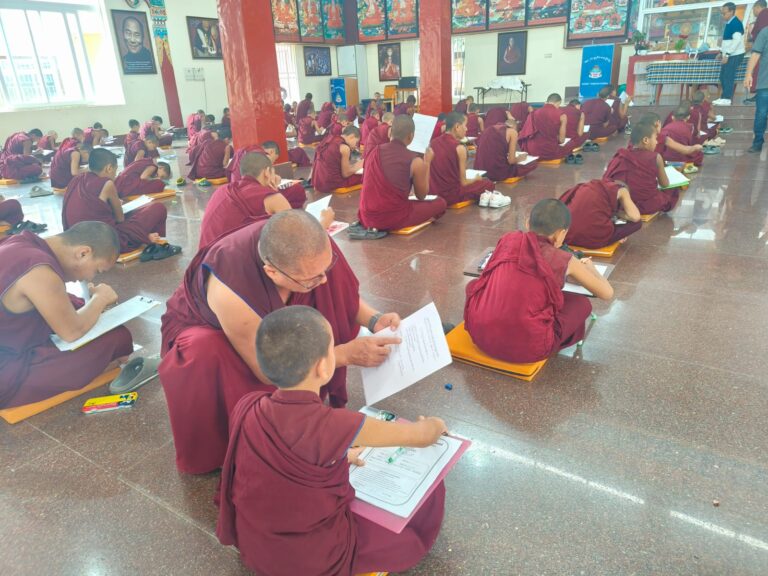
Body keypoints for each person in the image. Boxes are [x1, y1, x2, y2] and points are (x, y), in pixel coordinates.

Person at [159, 210, 403, 473]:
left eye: (325, 270)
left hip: (270, 309)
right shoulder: (229, 288)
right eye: (312, 279)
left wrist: (374, 320)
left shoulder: (311, 247)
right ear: (271, 272)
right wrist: (343, 354)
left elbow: (341, 294)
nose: (323, 281)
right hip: (211, 331)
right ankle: (257, 440)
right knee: (205, 349)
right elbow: (267, 370)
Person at [216, 305, 446, 576]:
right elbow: (420, 438)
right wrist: (435, 425)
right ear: (325, 365)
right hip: (312, 562)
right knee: (424, 500)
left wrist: (339, 455)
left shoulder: (248, 405)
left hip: (256, 548)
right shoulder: (335, 425)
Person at [0, 221, 134, 408]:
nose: (90, 278)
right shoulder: (39, 270)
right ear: (83, 253)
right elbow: (72, 332)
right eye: (96, 270)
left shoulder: (16, 243)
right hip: (6, 372)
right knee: (117, 337)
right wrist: (100, 299)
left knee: (74, 303)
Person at [465, 198, 612, 363]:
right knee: (582, 304)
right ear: (561, 233)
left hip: (479, 335)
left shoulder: (508, 239)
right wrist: (591, 269)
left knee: (474, 286)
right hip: (528, 349)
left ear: (528, 223)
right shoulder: (565, 259)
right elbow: (607, 293)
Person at [62, 149, 173, 255]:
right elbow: (120, 219)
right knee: (158, 208)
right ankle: (143, 237)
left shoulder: (76, 180)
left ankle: (142, 235)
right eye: (115, 171)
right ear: (109, 168)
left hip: (75, 239)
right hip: (105, 242)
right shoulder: (106, 183)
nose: (115, 175)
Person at [200, 152, 317, 247]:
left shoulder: (222, 190)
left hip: (206, 262)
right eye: (273, 171)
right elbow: (295, 237)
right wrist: (322, 224)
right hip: (234, 265)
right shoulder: (273, 198)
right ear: (267, 172)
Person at [358, 114, 447, 232]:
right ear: (411, 136)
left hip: (366, 216)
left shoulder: (374, 151)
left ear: (390, 133)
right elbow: (422, 195)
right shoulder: (415, 160)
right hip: (391, 217)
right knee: (440, 203)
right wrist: (427, 163)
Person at [604, 122, 680, 214]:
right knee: (672, 191)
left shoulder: (621, 155)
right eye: (655, 138)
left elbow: (607, 179)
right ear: (646, 140)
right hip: (645, 205)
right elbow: (665, 184)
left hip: (622, 204)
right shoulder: (655, 157)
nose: (656, 142)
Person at [429, 112, 496, 206]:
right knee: (488, 184)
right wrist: (476, 179)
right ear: (457, 127)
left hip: (434, 193)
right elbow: (464, 182)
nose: (467, 129)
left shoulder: (433, 143)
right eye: (465, 126)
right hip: (451, 195)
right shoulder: (459, 148)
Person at [560, 179, 642, 248]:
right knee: (637, 223)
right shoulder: (622, 190)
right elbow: (635, 217)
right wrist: (617, 213)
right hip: (594, 240)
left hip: (567, 236)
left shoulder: (585, 186)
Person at [474, 117, 537, 182]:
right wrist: (520, 158)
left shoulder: (489, 128)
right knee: (532, 164)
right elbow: (511, 161)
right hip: (497, 172)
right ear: (514, 128)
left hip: (480, 170)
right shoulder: (513, 132)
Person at [311, 125, 363, 193]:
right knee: (364, 176)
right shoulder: (345, 147)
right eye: (356, 142)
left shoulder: (329, 138)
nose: (356, 146)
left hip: (317, 181)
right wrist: (360, 164)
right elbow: (346, 174)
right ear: (351, 136)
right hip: (330, 184)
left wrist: (355, 165)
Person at [519, 93, 571, 160]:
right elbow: (561, 140)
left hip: (533, 151)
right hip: (549, 151)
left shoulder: (534, 113)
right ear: (558, 102)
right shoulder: (562, 115)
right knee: (570, 145)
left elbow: (525, 133)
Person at [713, 2, 745, 106]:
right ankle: (724, 97)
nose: (723, 15)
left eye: (724, 13)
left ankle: (727, 99)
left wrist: (727, 55)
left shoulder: (736, 23)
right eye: (722, 13)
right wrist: (721, 52)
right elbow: (727, 41)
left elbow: (736, 41)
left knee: (728, 76)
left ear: (731, 11)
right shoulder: (729, 23)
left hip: (735, 55)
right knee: (723, 76)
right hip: (728, 54)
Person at [745, 25, 768, 152]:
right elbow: (755, 54)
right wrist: (748, 74)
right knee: (761, 114)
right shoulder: (765, 32)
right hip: (765, 82)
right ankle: (758, 142)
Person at [745, 0, 768, 103]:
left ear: (757, 7)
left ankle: (759, 94)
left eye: (753, 9)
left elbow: (762, 33)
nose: (753, 11)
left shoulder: (764, 14)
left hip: (761, 49)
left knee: (761, 73)